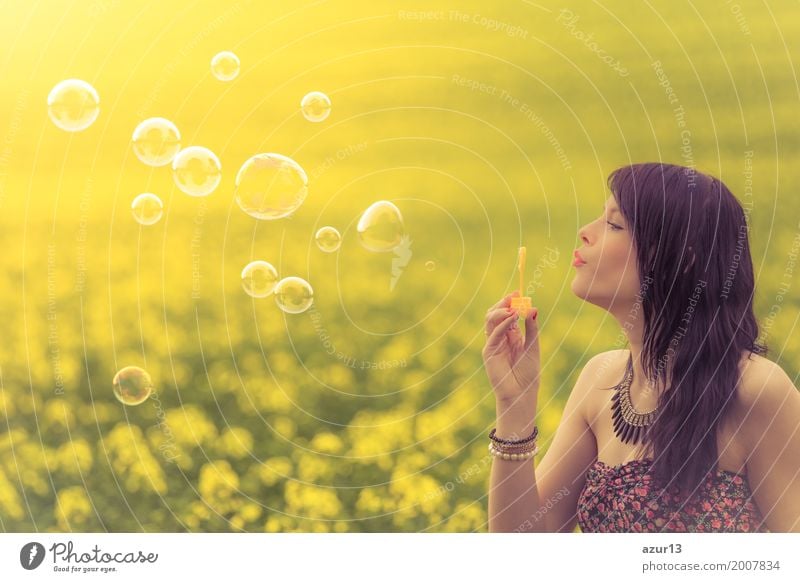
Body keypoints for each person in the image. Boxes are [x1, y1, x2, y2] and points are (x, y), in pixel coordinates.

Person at [483, 162, 800, 533]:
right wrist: (514, 406)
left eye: (614, 224)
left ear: (685, 258)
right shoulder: (599, 381)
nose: (585, 233)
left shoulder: (755, 390)